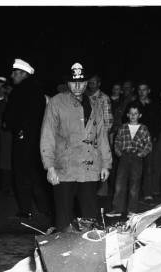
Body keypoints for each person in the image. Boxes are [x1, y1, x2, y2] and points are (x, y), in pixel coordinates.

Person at [41, 62, 112, 232]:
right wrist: (49, 167)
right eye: (74, 82)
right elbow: (47, 135)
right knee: (63, 219)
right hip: (64, 169)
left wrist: (106, 164)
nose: (78, 86)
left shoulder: (95, 104)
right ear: (68, 83)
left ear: (87, 82)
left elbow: (101, 135)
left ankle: (89, 253)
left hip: (89, 169)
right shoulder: (56, 103)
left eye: (82, 82)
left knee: (90, 217)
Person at [4, 58, 51, 218]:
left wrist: (14, 127)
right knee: (36, 173)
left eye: (15, 73)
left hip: (23, 138)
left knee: (22, 173)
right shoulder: (37, 89)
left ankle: (25, 209)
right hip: (37, 138)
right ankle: (44, 207)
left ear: (23, 73)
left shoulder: (19, 91)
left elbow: (12, 116)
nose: (12, 75)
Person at [107, 104, 153, 217]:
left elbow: (148, 144)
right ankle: (117, 209)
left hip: (137, 158)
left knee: (134, 185)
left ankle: (132, 210)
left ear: (140, 115)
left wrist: (141, 154)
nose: (133, 116)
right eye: (131, 113)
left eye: (135, 113)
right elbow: (117, 142)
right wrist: (118, 152)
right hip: (124, 157)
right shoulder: (123, 127)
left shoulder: (143, 128)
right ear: (127, 115)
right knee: (119, 184)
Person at [134, 82, 161, 201]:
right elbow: (126, 119)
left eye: (144, 89)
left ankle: (147, 193)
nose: (142, 92)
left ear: (148, 91)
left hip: (149, 141)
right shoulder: (133, 104)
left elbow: (159, 122)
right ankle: (133, 193)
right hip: (135, 141)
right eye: (140, 89)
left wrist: (154, 136)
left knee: (149, 167)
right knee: (135, 168)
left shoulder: (154, 105)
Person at [0, 77, 13, 194]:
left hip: (6, 135)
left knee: (6, 161)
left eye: (2, 87)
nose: (0, 89)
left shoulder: (9, 101)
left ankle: (6, 186)